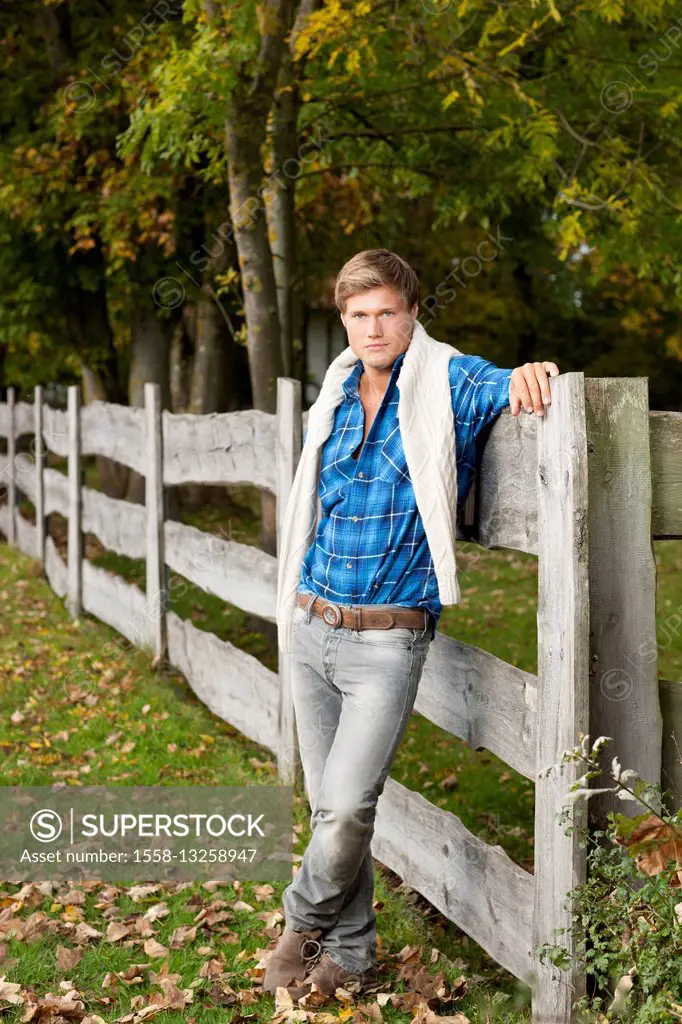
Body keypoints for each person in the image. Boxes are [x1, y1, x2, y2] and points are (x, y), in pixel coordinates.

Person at [263, 249, 559, 1001]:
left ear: (413, 312)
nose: (373, 327)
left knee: (347, 807)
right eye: (358, 315)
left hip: (388, 640)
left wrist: (533, 374)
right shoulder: (332, 393)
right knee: (331, 805)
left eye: (386, 312)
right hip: (312, 623)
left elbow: (506, 386)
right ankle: (354, 957)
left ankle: (299, 925)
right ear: (344, 320)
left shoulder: (445, 381)